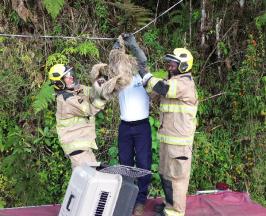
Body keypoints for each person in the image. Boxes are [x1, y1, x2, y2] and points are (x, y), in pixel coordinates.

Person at [123, 34, 198, 216]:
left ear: (183, 65)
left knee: (177, 179)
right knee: (166, 175)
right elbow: (154, 91)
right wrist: (140, 66)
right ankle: (168, 204)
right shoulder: (172, 81)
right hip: (168, 141)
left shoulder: (184, 84)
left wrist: (146, 73)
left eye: (173, 63)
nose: (169, 65)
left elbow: (162, 89)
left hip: (179, 143)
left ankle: (176, 212)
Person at [113, 37, 152, 216]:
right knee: (125, 165)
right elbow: (113, 62)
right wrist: (116, 47)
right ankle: (127, 198)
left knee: (143, 164)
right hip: (125, 128)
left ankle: (141, 200)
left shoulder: (142, 77)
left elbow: (143, 60)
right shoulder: (119, 80)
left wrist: (133, 45)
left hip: (142, 127)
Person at [48, 63, 114, 169]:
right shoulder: (66, 100)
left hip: (83, 148)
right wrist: (104, 95)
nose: (71, 78)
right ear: (59, 83)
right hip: (77, 150)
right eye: (67, 77)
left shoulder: (74, 90)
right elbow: (91, 109)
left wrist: (104, 77)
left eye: (71, 75)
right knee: (89, 181)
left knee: (91, 179)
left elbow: (92, 92)